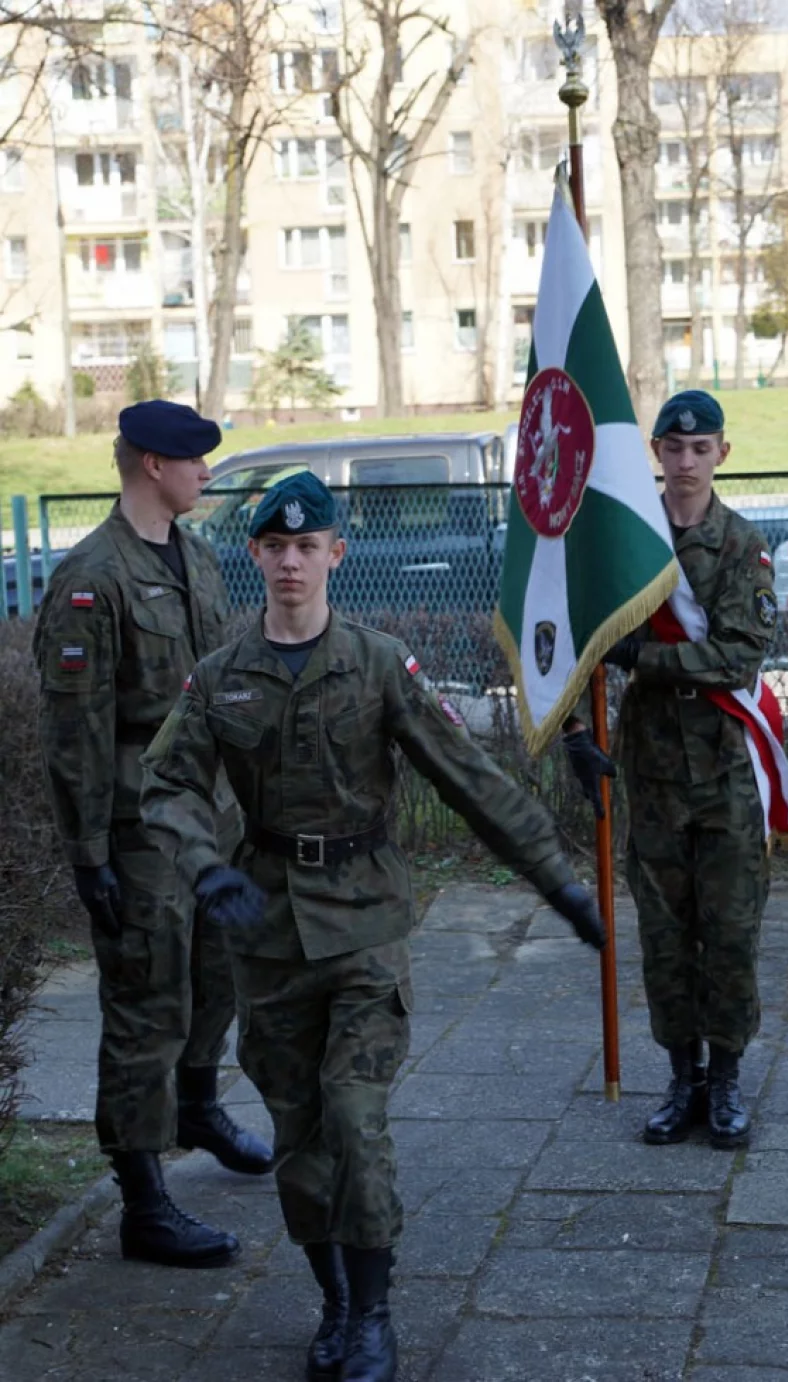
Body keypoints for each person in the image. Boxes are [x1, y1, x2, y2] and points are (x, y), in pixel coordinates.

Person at [140, 472, 605, 1382]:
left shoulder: (380, 663)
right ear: (257, 555)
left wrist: (559, 884)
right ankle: (336, 1303)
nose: (289, 562)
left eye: (306, 548)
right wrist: (206, 867)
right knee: (300, 1141)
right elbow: (164, 785)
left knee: (356, 1120)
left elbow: (468, 778)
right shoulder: (222, 677)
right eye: (274, 547)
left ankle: (377, 1316)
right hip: (267, 936)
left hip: (362, 927)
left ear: (334, 556)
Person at [33, 400, 271, 1271]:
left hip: (209, 815)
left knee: (218, 976)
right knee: (145, 1007)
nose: (207, 473)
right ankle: (143, 1202)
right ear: (149, 466)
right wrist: (88, 852)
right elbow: (77, 729)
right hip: (140, 827)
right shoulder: (93, 577)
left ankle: (198, 1108)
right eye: (193, 461)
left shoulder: (196, 557)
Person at [564, 389, 780, 1150]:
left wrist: (642, 658)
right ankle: (680, 1077)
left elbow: (736, 656)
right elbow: (578, 641)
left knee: (728, 932)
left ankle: (724, 1082)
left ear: (723, 453)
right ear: (654, 452)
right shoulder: (630, 543)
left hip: (723, 770)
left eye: (701, 448)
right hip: (651, 766)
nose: (685, 461)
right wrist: (573, 729)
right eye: (672, 447)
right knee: (663, 933)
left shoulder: (743, 545)